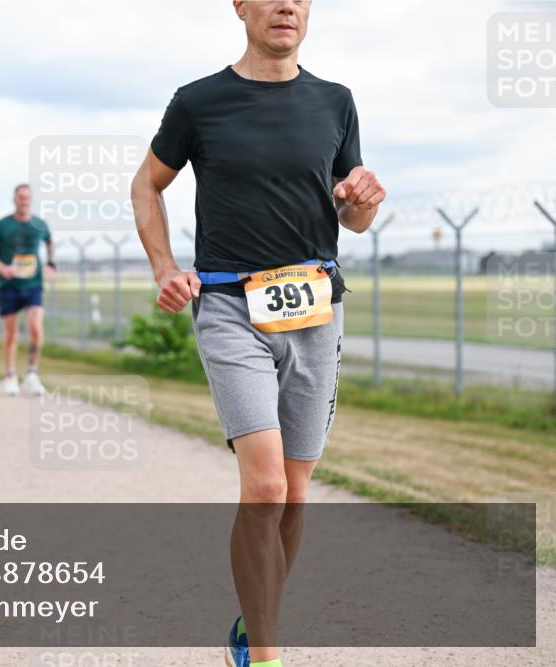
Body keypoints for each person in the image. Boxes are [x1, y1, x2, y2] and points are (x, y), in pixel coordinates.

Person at [131, 2, 386, 666]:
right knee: (266, 486)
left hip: (315, 309)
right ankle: (267, 656)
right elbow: (146, 186)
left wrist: (361, 198)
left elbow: (351, 218)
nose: (286, 7)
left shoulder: (336, 102)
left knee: (295, 493)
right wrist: (165, 268)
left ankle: (253, 618)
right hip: (228, 306)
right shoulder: (199, 102)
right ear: (239, 6)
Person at [0, 184, 55, 396]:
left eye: (27, 198)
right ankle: (10, 375)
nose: (24, 201)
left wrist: (51, 264)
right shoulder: (2, 225)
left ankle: (31, 373)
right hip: (9, 286)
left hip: (33, 285)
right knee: (12, 333)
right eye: (20, 197)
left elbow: (50, 243)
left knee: (35, 327)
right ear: (14, 199)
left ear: (31, 200)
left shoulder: (40, 224)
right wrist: (2, 268)